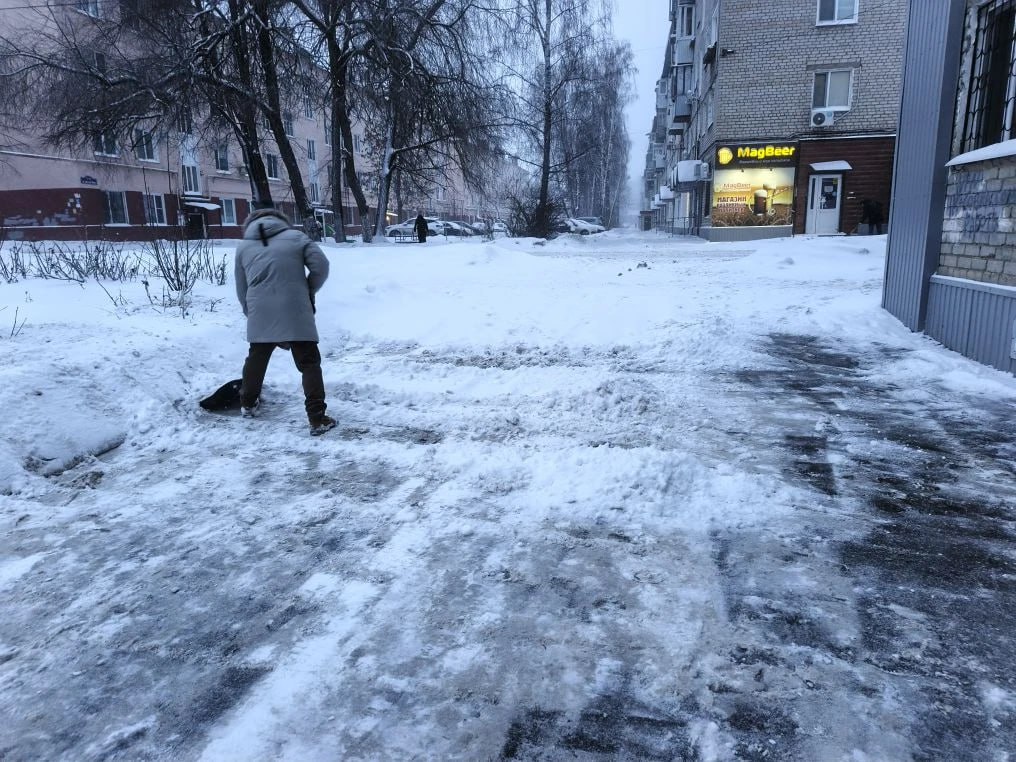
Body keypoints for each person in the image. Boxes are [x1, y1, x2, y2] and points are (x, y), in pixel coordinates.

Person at [234, 205, 336, 436]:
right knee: (308, 362)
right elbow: (322, 266)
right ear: (280, 220)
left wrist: (250, 311)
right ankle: (317, 418)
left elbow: (241, 287)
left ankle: (248, 404)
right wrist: (308, 290)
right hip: (294, 307)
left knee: (257, 358)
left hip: (260, 308)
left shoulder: (244, 247)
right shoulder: (296, 237)